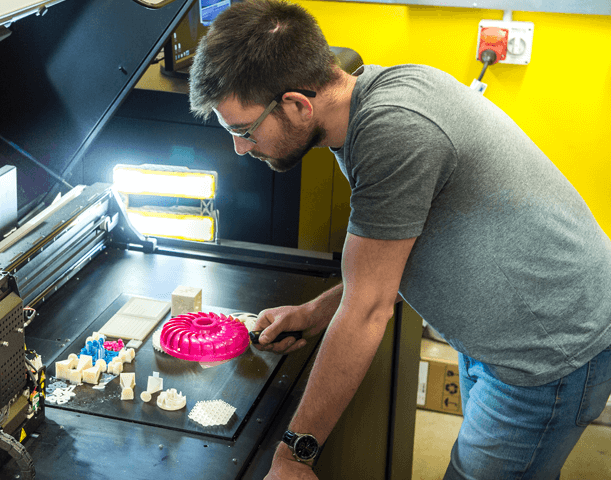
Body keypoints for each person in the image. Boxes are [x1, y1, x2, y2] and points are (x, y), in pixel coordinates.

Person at [188, 1, 611, 479]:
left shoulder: (393, 132)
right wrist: (313, 313)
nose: (240, 148)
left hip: (545, 351)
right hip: (499, 335)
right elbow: (385, 260)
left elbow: (369, 308)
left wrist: (293, 455)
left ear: (297, 105)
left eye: (243, 130)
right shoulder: (363, 101)